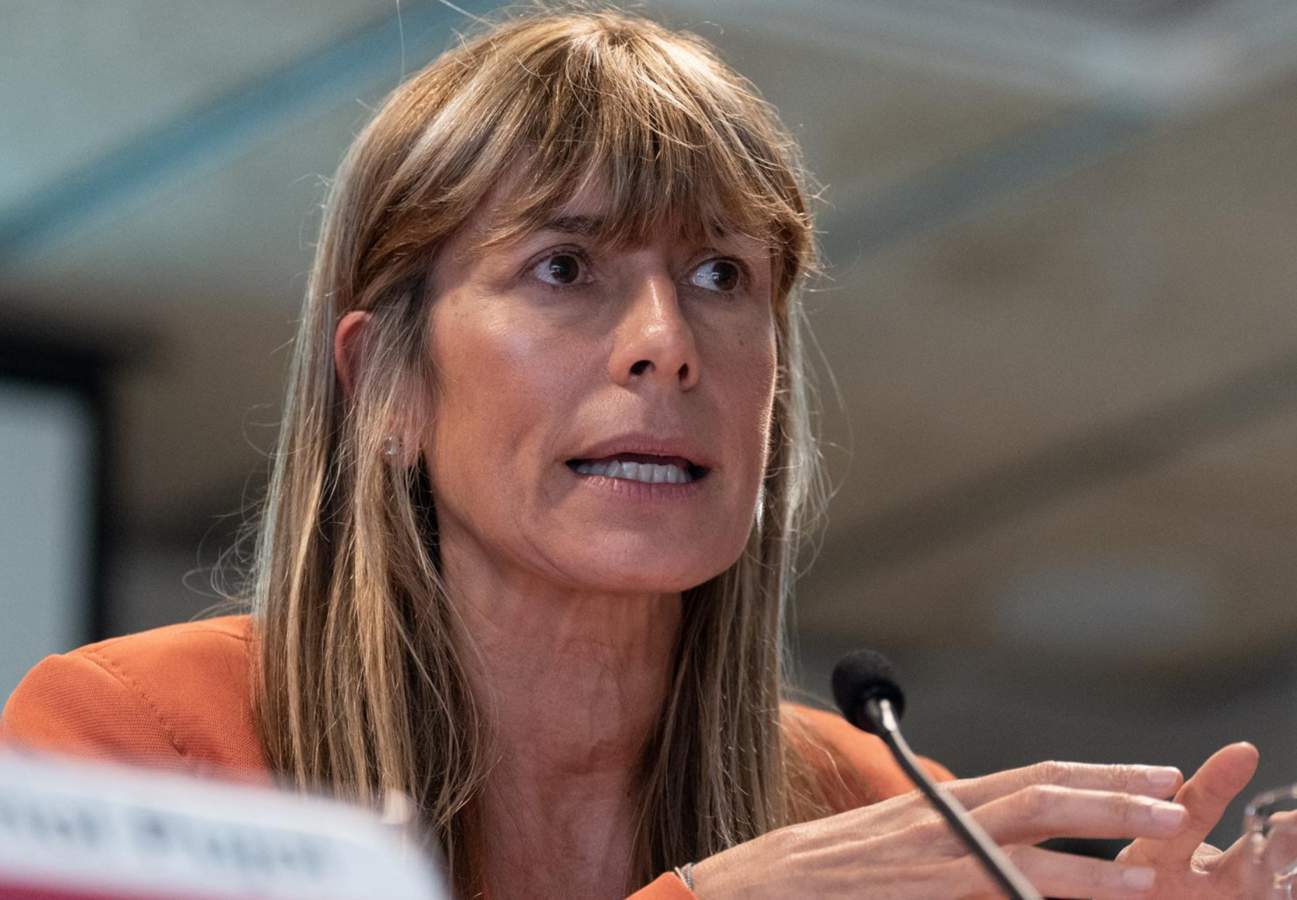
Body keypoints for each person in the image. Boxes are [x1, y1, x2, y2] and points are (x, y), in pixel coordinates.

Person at [0, 9, 1261, 899]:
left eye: (720, 277)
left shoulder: (887, 810)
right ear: (383, 382)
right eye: (564, 269)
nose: (665, 345)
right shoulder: (136, 747)